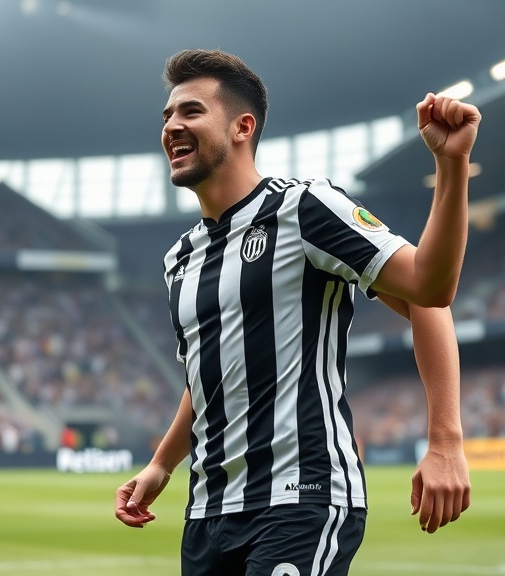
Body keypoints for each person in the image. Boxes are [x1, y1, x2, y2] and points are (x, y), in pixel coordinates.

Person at [115, 48, 479, 576]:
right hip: (208, 513)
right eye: (167, 115)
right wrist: (160, 465)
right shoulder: (180, 259)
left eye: (191, 111)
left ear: (243, 127)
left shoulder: (304, 209)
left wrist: (445, 441)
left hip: (301, 498)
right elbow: (209, 376)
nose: (172, 125)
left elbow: (429, 290)